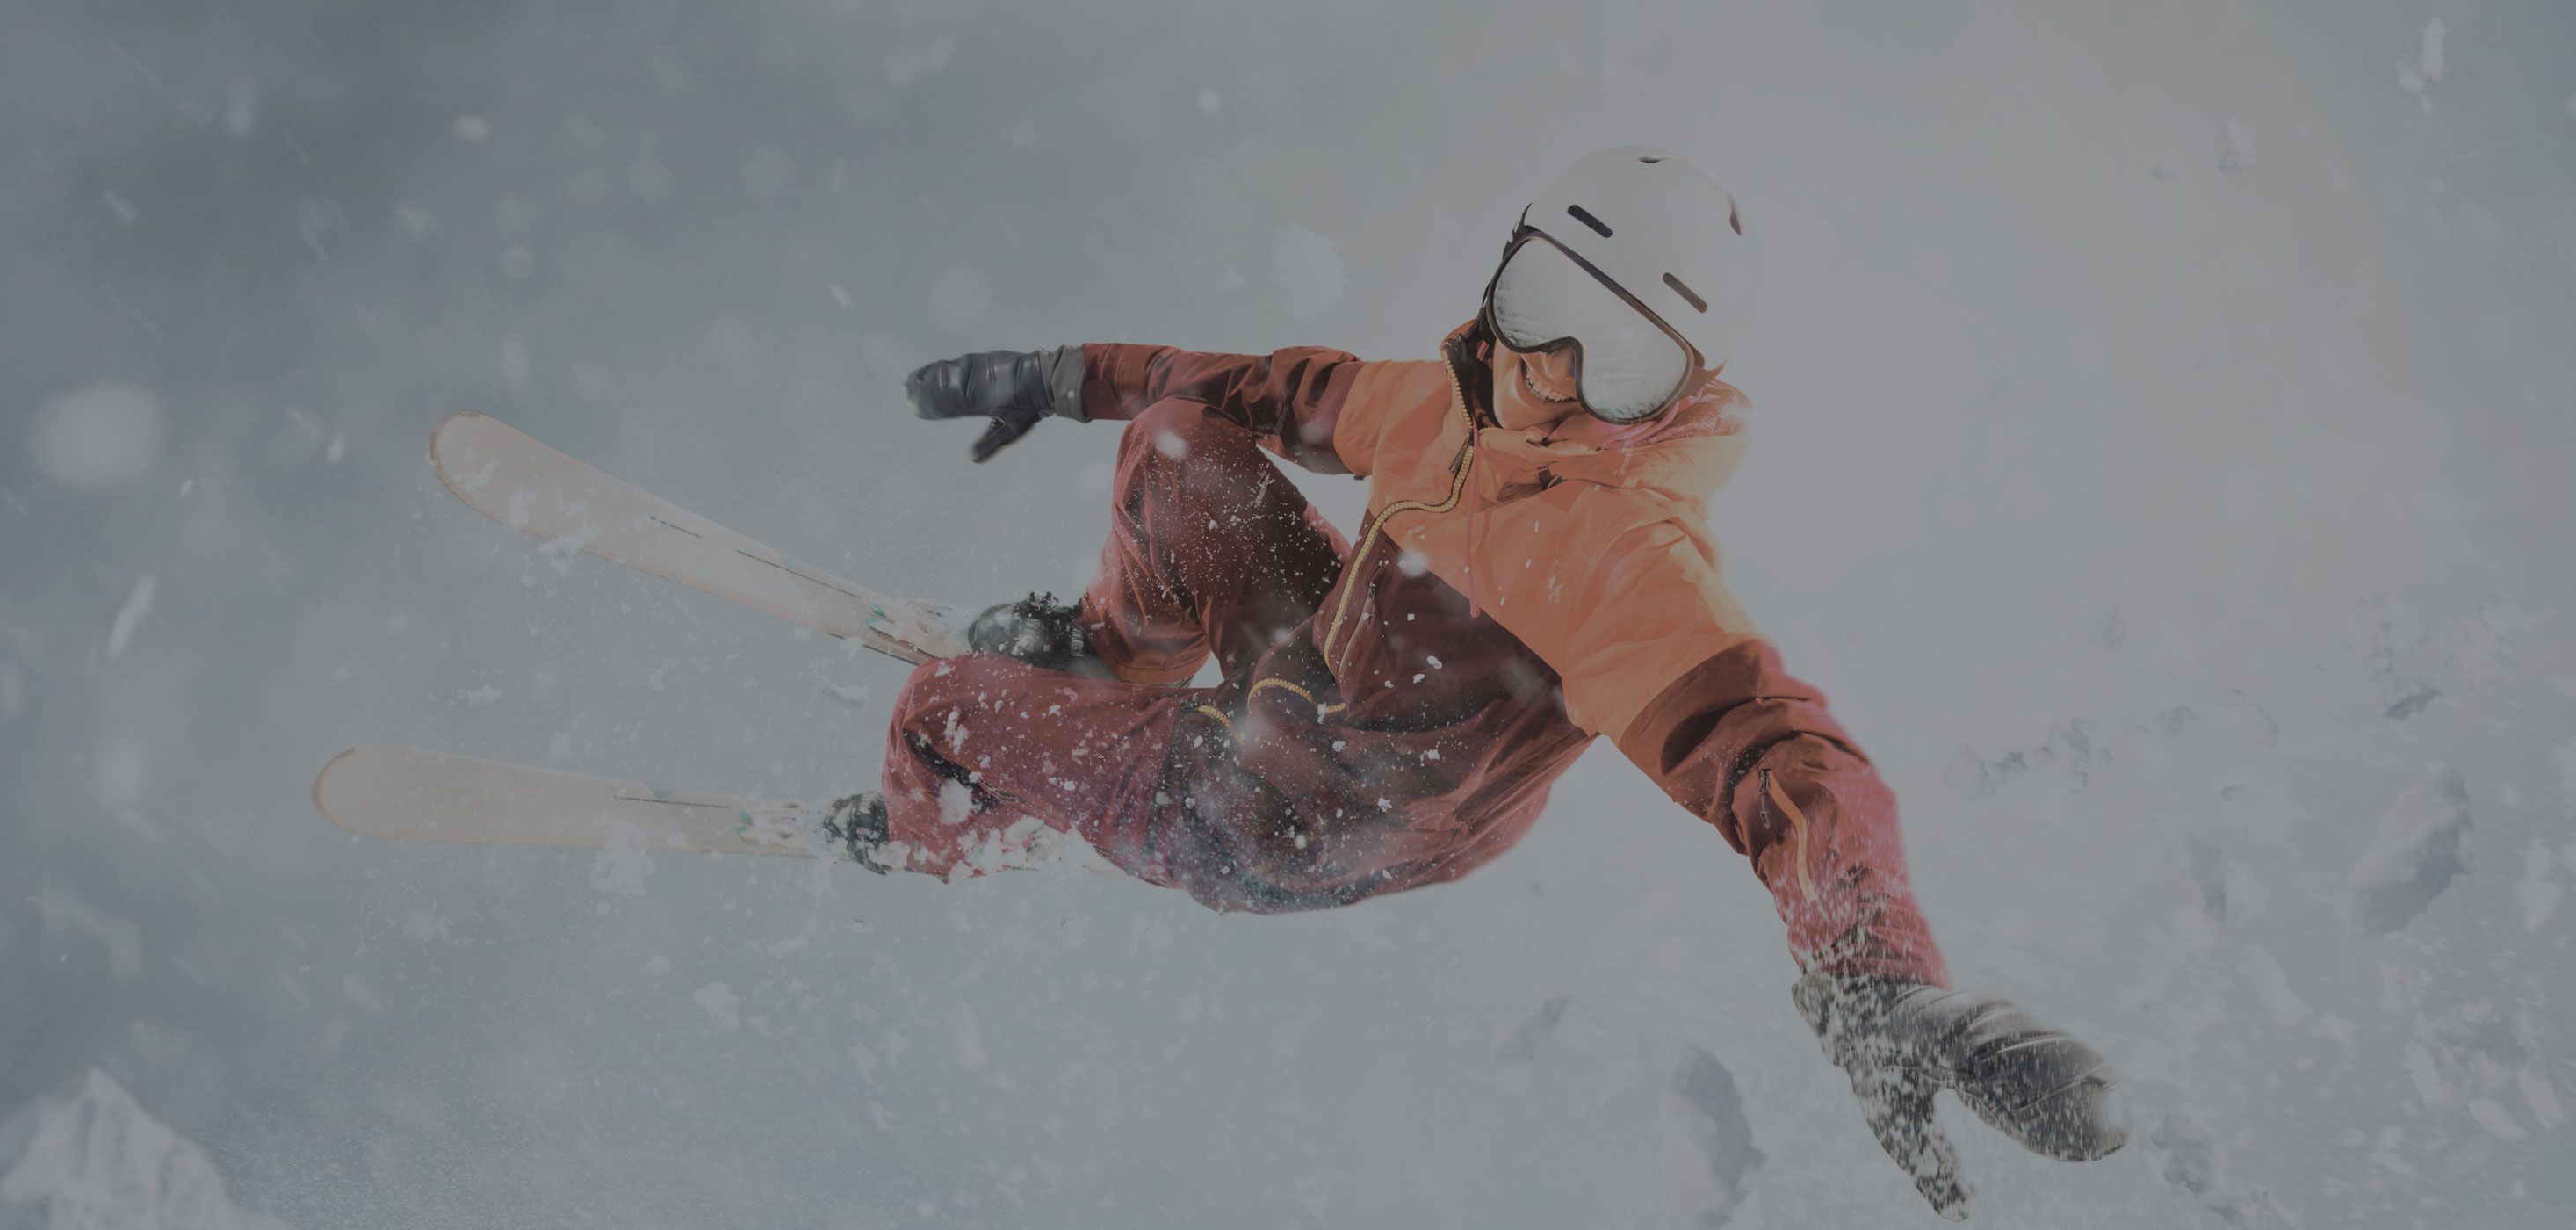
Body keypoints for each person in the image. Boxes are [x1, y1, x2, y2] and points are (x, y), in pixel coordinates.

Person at [839, 147, 2121, 1219]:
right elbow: (1276, 390)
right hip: (1323, 696)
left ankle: (937, 833)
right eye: (1546, 301)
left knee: (942, 707)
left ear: (1676, 391)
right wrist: (1071, 377)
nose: (1552, 369)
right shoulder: (1445, 408)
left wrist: (1876, 977)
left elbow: (1772, 748)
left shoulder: (1617, 551)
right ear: (1505, 268)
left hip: (1299, 821)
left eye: (1617, 357)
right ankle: (1120, 661)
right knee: (1179, 444)